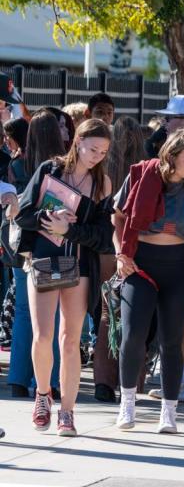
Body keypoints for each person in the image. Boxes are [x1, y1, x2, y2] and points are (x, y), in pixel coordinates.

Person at [112, 129, 184, 433]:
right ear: (171, 156)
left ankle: (169, 412)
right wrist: (120, 255)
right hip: (140, 262)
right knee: (133, 334)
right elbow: (118, 217)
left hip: (179, 266)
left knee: (171, 340)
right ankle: (126, 405)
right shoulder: (142, 175)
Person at [16, 119, 114, 436]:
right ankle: (43, 395)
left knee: (70, 341)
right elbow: (23, 214)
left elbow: (102, 237)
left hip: (81, 265)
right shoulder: (50, 170)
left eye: (103, 152)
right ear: (78, 142)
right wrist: (51, 219)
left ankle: (67, 412)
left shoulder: (103, 185)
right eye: (92, 149)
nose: (97, 156)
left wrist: (69, 229)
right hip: (45, 259)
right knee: (43, 336)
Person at [5, 113, 63, 399]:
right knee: (52, 314)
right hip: (52, 244)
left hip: (19, 243)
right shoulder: (61, 168)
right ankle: (51, 380)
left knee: (24, 313)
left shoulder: (16, 164)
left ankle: (17, 378)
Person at [92, 116, 146, 403]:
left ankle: (102, 382)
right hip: (137, 249)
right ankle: (132, 383)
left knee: (106, 316)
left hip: (105, 249)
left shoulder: (103, 170)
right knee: (134, 318)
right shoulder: (146, 171)